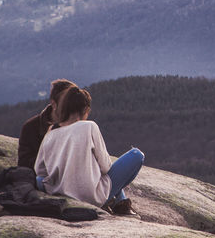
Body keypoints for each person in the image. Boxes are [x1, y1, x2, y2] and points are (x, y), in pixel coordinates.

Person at [35, 85, 144, 216]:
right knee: (137, 155)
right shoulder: (89, 126)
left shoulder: (50, 134)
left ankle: (120, 201)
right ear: (86, 109)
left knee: (39, 180)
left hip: (61, 193)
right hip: (91, 196)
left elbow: (40, 171)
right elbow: (105, 167)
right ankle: (117, 202)